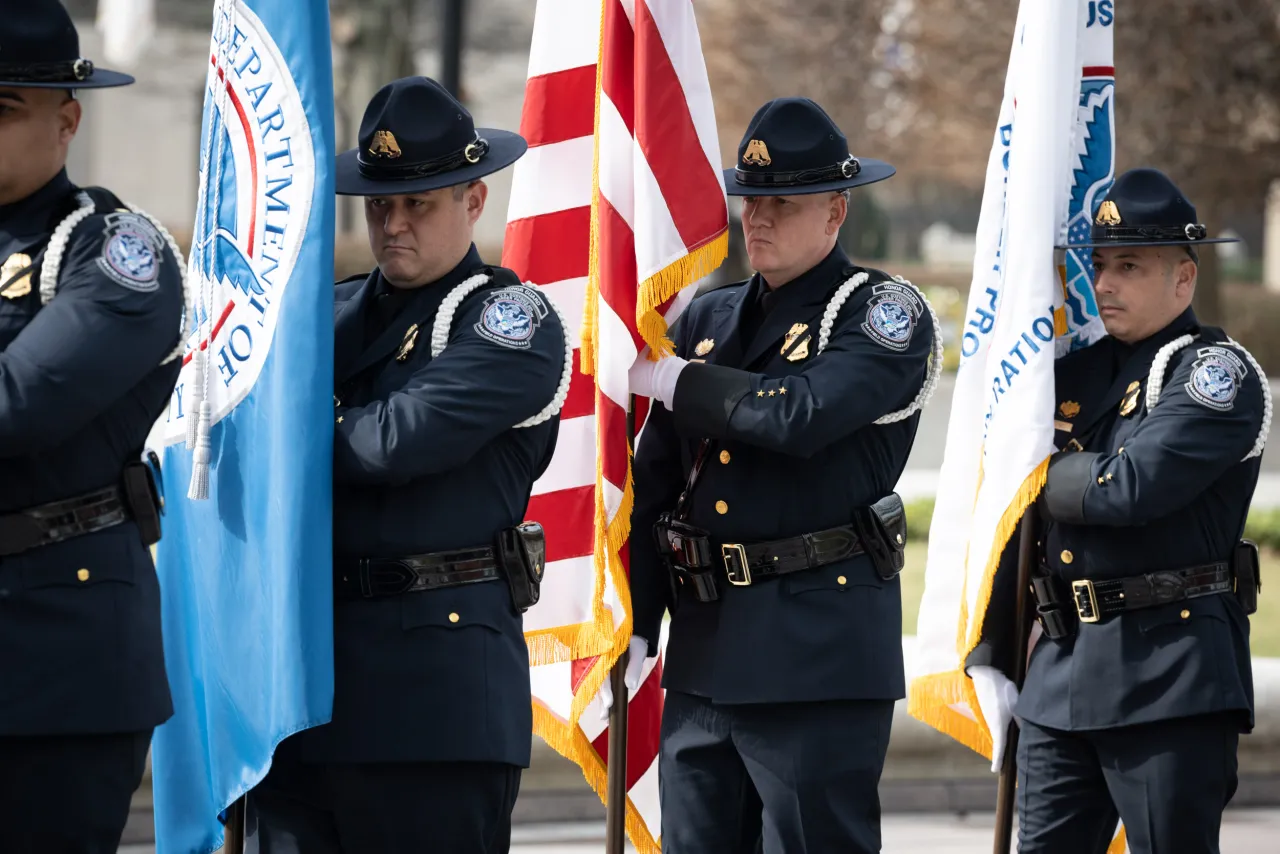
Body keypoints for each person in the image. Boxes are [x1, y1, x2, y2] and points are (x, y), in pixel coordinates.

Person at [244, 76, 570, 854]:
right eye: (379, 204)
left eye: (418, 203)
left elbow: (393, 441)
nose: (393, 224)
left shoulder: (508, 321)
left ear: (475, 201)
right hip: (304, 699)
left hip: (434, 707)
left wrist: (285, 431)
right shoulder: (329, 312)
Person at [619, 97, 943, 853]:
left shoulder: (878, 315)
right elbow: (658, 483)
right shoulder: (709, 320)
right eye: (750, 200)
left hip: (814, 657)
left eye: (782, 203)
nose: (757, 218)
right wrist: (637, 617)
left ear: (835, 211)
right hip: (704, 654)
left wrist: (677, 382)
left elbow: (799, 416)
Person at [967, 167, 1271, 854]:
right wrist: (994, 651)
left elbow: (1128, 489)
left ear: (1184, 278)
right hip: (1061, 679)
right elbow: (1015, 527)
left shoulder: (1214, 375)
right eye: (1100, 265)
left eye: (1129, 265)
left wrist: (1027, 468)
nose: (1103, 284)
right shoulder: (1069, 376)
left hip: (1170, 677)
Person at [0, 1, 188, 851]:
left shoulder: (114, 252)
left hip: (55, 666)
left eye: (4, 108)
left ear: (67, 119)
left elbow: (17, 404)